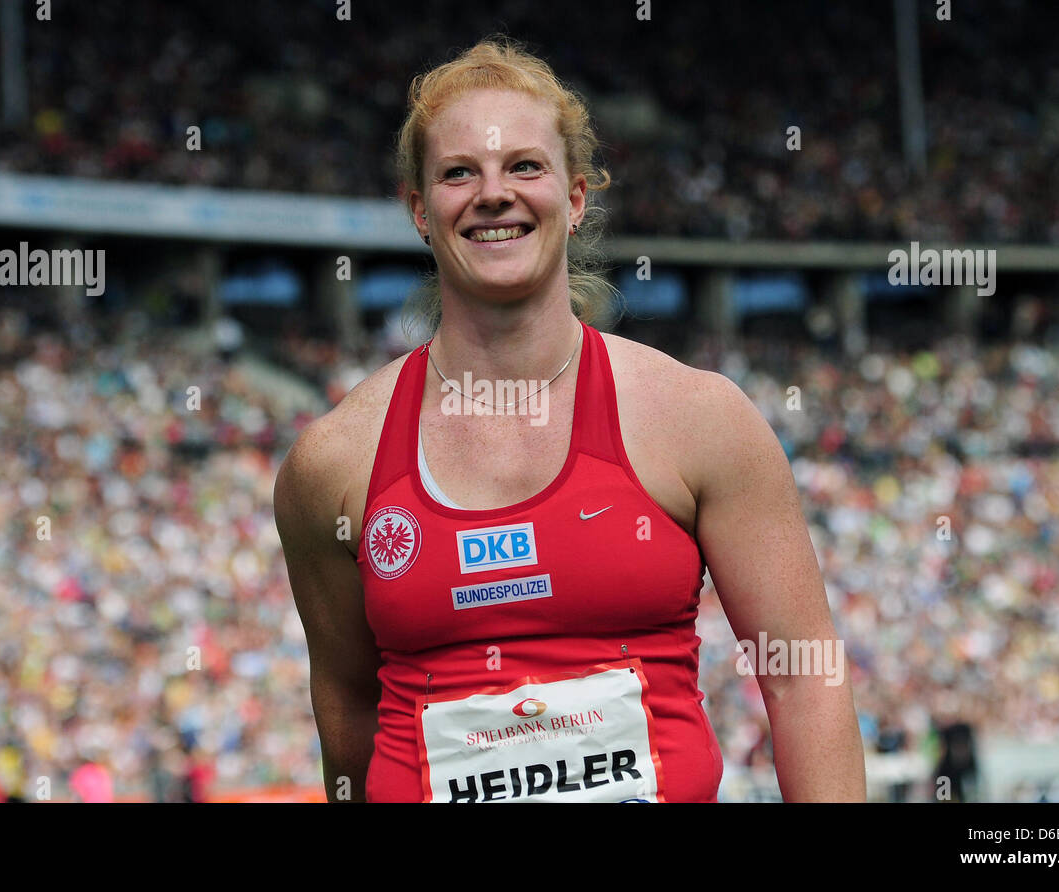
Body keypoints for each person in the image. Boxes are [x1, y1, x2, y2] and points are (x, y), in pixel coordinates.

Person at [274, 36, 865, 802]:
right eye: (460, 173)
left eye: (525, 166)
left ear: (577, 196)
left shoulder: (697, 420)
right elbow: (350, 712)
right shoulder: (334, 464)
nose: (494, 193)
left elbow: (804, 681)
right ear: (419, 210)